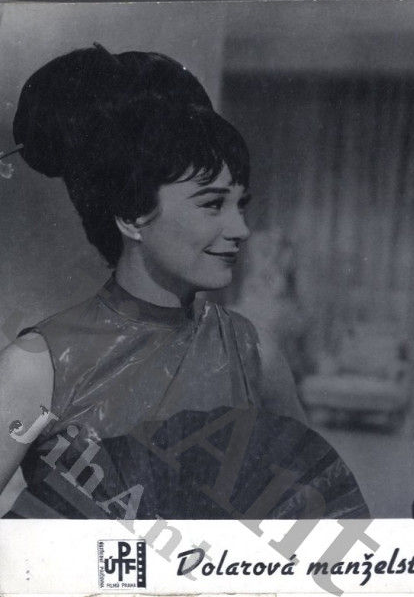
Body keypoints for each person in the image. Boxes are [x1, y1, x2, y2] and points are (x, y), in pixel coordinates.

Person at [0, 45, 368, 519]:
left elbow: (316, 514)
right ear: (133, 215)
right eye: (213, 204)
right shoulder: (39, 366)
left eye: (240, 204)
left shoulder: (254, 354)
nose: (241, 229)